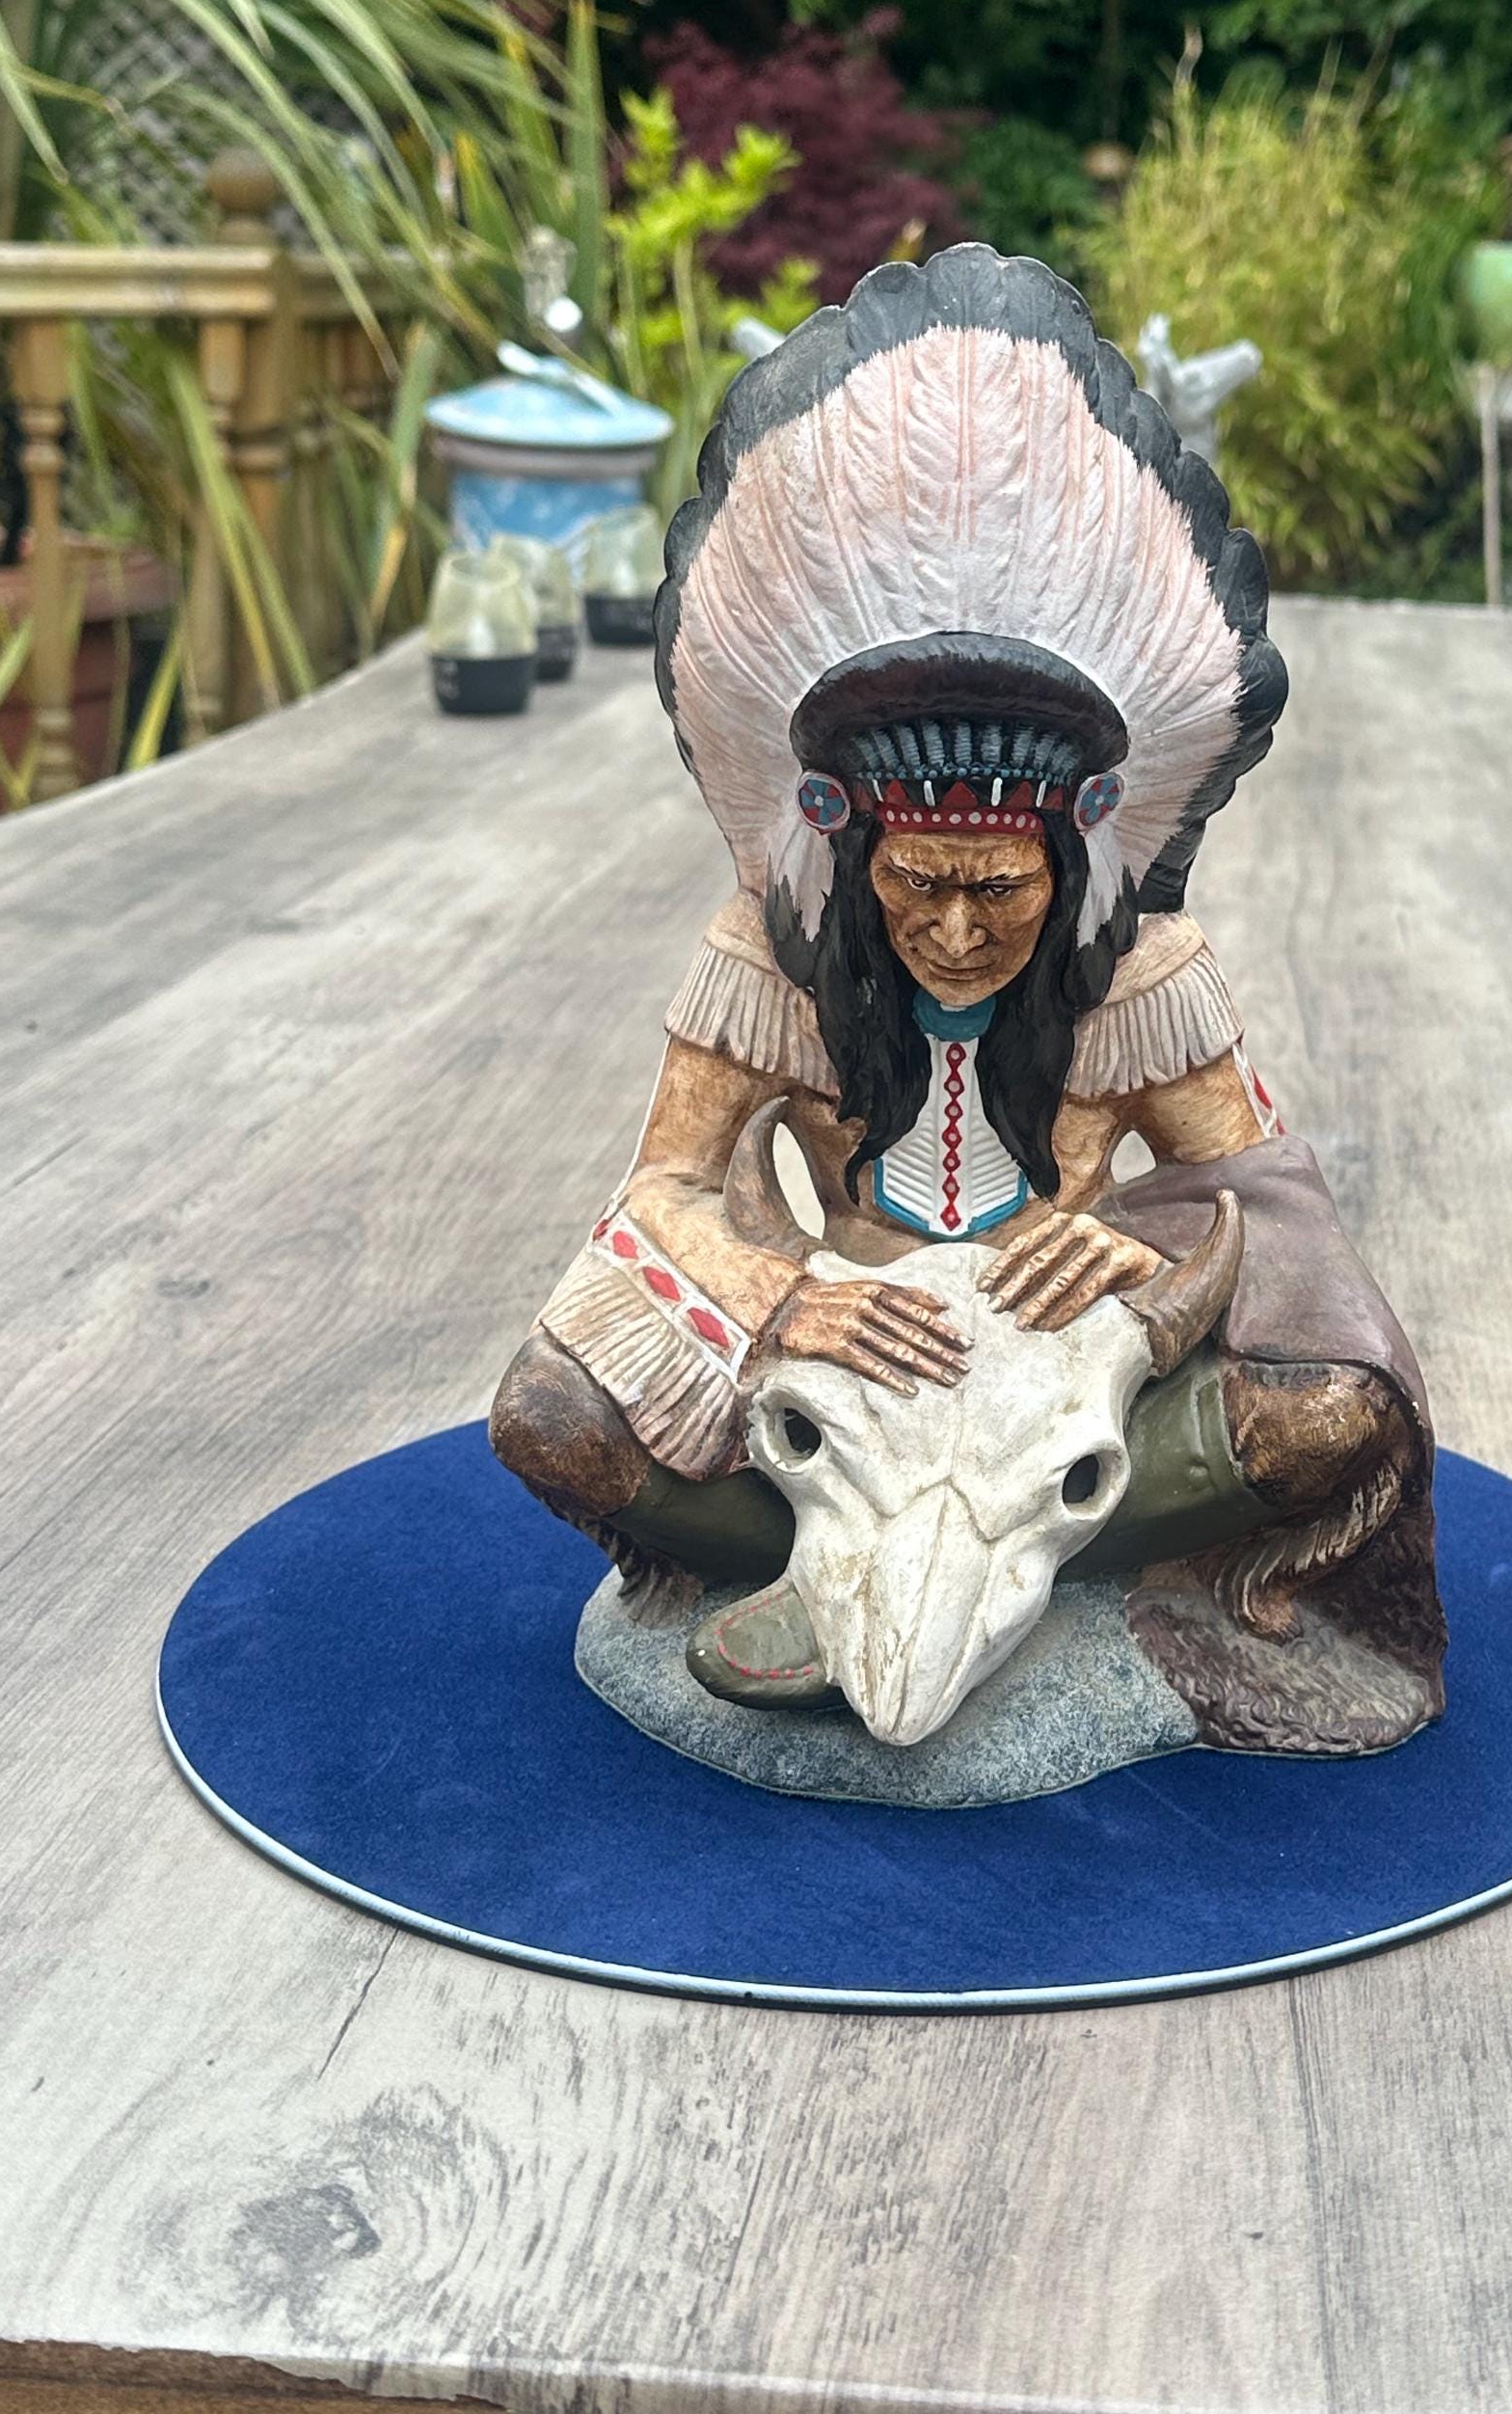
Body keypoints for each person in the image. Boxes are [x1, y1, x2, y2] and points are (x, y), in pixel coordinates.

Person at [492, 246, 1444, 1754]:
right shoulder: (762, 959)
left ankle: (992, 1568)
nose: (951, 931)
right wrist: (786, 1297)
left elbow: (1264, 1201)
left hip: (1062, 1392)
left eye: (996, 890)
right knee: (551, 1419)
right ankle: (869, 1555)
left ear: (1074, 856)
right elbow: (664, 1187)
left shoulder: (1146, 972)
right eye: (914, 885)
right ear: (843, 844)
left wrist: (1138, 1250)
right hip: (831, 1368)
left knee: (1334, 1413)